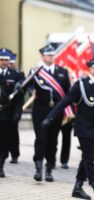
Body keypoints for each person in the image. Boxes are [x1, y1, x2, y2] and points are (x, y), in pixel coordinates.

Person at [42, 56, 94, 200]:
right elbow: (65, 101)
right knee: (90, 158)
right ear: (91, 69)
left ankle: (77, 188)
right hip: (83, 128)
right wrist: (50, 117)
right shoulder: (81, 85)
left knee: (88, 157)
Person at [26, 44, 71, 182]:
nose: (51, 57)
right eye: (48, 55)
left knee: (53, 140)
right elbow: (28, 85)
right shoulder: (35, 71)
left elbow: (68, 92)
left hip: (56, 111)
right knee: (40, 138)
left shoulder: (63, 72)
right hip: (40, 110)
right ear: (42, 56)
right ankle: (38, 168)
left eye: (52, 55)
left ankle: (49, 168)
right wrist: (30, 91)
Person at [0, 48, 24, 177]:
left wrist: (17, 112)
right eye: (2, 59)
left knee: (4, 141)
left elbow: (19, 98)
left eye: (6, 60)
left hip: (7, 114)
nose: (4, 62)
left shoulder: (15, 75)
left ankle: (1, 165)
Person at [7, 52, 25, 164]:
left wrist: (18, 111)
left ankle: (14, 154)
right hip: (3, 108)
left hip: (13, 108)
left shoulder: (19, 74)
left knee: (13, 133)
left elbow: (21, 96)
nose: (10, 65)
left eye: (12, 63)